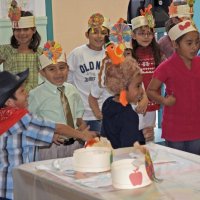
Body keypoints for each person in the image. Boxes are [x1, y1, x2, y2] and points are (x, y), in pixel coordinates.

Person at [0, 69, 96, 200]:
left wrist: (51, 136)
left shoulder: (5, 118)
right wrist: (83, 136)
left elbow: (21, 137)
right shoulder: (21, 119)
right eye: (22, 92)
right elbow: (59, 128)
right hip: (14, 189)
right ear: (9, 102)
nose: (27, 94)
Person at [147, 19, 200, 155]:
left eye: (197, 42)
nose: (195, 47)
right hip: (175, 128)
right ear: (175, 44)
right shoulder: (166, 67)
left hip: (197, 127)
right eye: (189, 43)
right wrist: (164, 101)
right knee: (177, 168)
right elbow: (151, 90)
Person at [29, 41, 87, 160]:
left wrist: (81, 125)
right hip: (50, 147)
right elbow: (30, 123)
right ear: (42, 73)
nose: (58, 73)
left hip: (75, 145)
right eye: (51, 69)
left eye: (62, 67)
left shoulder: (71, 89)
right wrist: (47, 135)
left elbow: (78, 113)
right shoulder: (35, 95)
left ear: (68, 68)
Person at [67, 13, 110, 133]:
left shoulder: (109, 55)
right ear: (87, 34)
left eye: (103, 33)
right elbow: (68, 82)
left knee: (105, 147)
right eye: (95, 32)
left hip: (103, 112)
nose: (99, 36)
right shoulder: (77, 54)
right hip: (83, 114)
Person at [131, 4, 164, 141]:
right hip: (135, 104)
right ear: (133, 35)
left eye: (149, 33)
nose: (146, 36)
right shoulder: (130, 54)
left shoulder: (158, 53)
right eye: (141, 33)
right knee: (134, 138)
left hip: (151, 104)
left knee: (149, 137)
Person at [101, 57, 145, 149]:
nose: (142, 90)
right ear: (122, 87)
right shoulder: (129, 116)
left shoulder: (108, 103)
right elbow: (129, 149)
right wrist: (141, 138)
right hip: (124, 160)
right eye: (138, 86)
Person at [0, 0, 42, 91]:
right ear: (13, 31)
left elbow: (50, 73)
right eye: (18, 30)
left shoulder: (41, 53)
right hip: (11, 100)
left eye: (26, 29)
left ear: (34, 30)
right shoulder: (5, 50)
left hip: (32, 100)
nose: (22, 33)